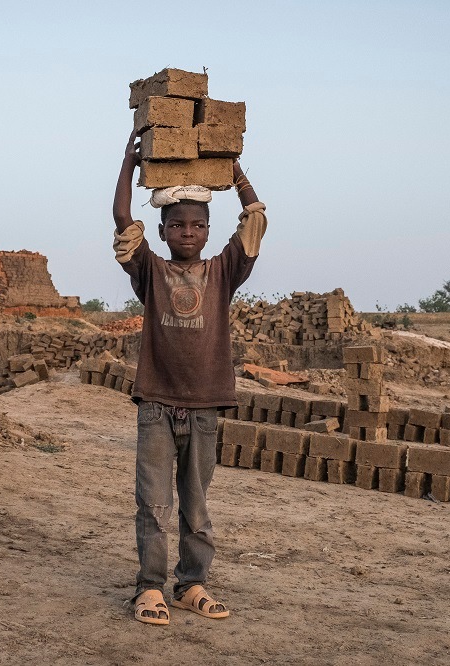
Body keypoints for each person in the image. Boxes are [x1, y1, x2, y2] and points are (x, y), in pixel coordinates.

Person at [112, 130, 267, 626]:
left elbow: (255, 219)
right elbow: (122, 219)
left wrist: (234, 171)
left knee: (196, 507)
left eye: (197, 225)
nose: (186, 232)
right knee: (154, 504)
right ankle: (150, 589)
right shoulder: (151, 273)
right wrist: (128, 164)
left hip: (204, 408)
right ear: (162, 232)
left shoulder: (223, 272)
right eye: (176, 224)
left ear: (206, 231)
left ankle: (192, 584)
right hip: (156, 405)